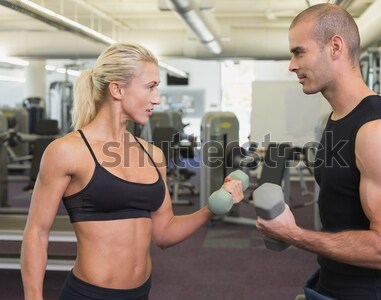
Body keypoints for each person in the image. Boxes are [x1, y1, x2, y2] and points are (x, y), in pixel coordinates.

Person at [20, 42, 244, 300]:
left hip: (141, 293)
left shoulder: (153, 155)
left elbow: (164, 232)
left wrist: (211, 209)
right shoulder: (67, 151)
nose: (157, 99)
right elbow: (36, 232)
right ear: (117, 89)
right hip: (89, 295)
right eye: (150, 87)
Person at [256, 4, 381, 300]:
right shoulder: (337, 119)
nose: (291, 65)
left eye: (299, 52)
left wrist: (295, 235)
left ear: (335, 47)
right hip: (330, 285)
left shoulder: (378, 131)